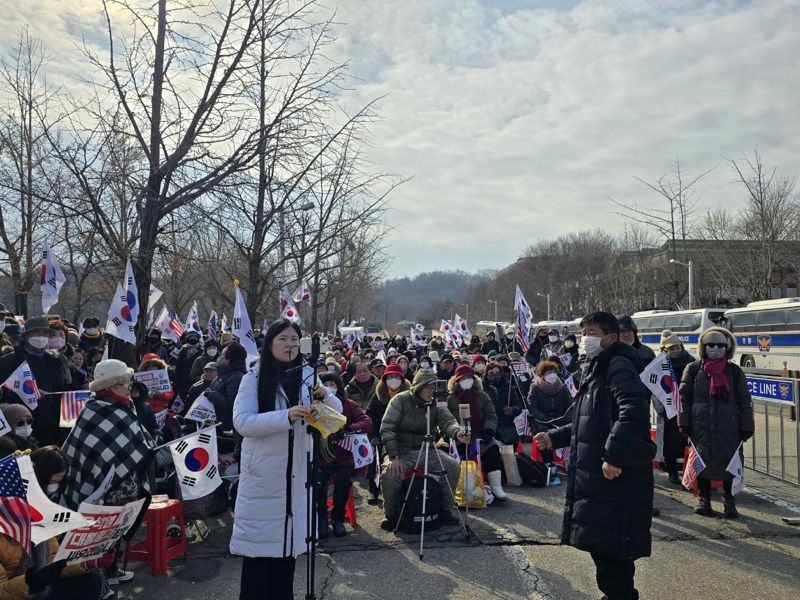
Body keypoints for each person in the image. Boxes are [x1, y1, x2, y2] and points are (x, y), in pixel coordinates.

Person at [534, 312, 654, 600]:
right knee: (606, 552)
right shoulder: (597, 366)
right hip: (597, 476)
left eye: (591, 332)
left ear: (610, 337)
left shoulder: (618, 364)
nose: (584, 338)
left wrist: (613, 456)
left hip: (612, 477)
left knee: (613, 554)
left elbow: (634, 411)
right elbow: (585, 419)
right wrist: (554, 437)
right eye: (583, 332)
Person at [230, 319, 342, 600]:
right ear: (269, 344)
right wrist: (285, 416)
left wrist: (324, 395)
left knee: (287, 553)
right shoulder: (253, 378)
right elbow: (242, 422)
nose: (289, 344)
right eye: (283, 339)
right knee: (259, 556)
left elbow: (337, 414)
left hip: (297, 477)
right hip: (263, 479)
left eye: (294, 339)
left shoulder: (308, 375)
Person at [62, 359, 155, 587]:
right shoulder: (97, 410)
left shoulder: (124, 405)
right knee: (101, 525)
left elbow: (134, 442)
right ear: (111, 385)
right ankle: (98, 573)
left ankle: (110, 568)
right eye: (125, 381)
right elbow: (89, 450)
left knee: (117, 524)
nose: (129, 386)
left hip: (123, 480)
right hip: (103, 483)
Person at [0, 447, 104, 599]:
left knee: (90, 579)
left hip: (38, 589)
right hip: (20, 591)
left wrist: (86, 563)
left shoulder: (37, 514)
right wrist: (32, 582)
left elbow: (54, 560)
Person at [378, 370, 469, 531]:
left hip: (427, 449)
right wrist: (393, 456)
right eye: (428, 387)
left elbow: (447, 421)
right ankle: (391, 515)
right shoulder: (400, 400)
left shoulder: (437, 402)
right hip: (401, 451)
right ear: (418, 387)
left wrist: (457, 432)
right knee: (390, 474)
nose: (432, 391)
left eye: (434, 387)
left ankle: (446, 509)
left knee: (452, 466)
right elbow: (387, 427)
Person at [678, 327, 754, 518]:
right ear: (703, 347)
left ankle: (729, 500)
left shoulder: (734, 371)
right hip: (700, 425)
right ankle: (704, 499)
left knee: (729, 463)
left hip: (729, 427)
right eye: (711, 344)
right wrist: (683, 422)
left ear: (727, 347)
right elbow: (683, 398)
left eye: (720, 345)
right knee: (702, 463)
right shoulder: (694, 369)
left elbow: (744, 400)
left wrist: (747, 426)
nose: (715, 348)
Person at [316, 373, 373, 538]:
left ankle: (338, 518)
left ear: (339, 386)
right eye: (325, 383)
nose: (328, 387)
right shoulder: (313, 406)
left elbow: (367, 422)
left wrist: (349, 429)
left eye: (332, 383)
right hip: (321, 459)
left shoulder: (348, 404)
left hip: (344, 458)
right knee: (318, 482)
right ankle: (321, 517)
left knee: (344, 479)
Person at [0, 315, 71, 446]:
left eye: (45, 333)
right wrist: (26, 393)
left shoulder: (56, 360)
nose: (41, 336)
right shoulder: (8, 361)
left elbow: (64, 389)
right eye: (37, 332)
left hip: (52, 425)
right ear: (27, 335)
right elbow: (3, 391)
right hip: (21, 425)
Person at [445, 365, 506, 500]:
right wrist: (452, 432)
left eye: (469, 378)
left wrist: (489, 430)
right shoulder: (451, 399)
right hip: (458, 436)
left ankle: (496, 486)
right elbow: (445, 418)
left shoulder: (482, 396)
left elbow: (491, 415)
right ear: (457, 381)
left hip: (480, 434)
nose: (466, 380)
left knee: (493, 448)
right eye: (463, 378)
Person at [365, 363, 409, 503]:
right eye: (390, 377)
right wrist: (374, 436)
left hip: (403, 435)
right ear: (384, 379)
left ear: (402, 379)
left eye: (397, 377)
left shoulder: (408, 395)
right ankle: (374, 490)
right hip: (380, 434)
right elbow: (369, 416)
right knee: (374, 455)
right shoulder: (379, 395)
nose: (393, 379)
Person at [657, 330, 694, 484]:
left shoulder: (691, 361)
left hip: (688, 406)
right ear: (665, 350)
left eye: (677, 347)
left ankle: (689, 471)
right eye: (671, 348)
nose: (675, 350)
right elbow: (655, 386)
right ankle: (672, 470)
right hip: (669, 408)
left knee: (688, 440)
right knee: (670, 441)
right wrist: (660, 406)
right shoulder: (660, 364)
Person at [527, 361, 573, 461]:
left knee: (570, 430)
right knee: (542, 434)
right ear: (542, 375)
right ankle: (548, 461)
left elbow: (570, 406)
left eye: (554, 372)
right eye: (548, 373)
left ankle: (566, 459)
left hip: (561, 418)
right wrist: (545, 418)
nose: (552, 375)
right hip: (542, 420)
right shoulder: (535, 387)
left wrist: (566, 418)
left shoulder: (562, 387)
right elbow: (532, 406)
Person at [205, 342, 248, 431]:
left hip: (226, 427)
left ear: (228, 359)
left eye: (222, 355)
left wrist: (212, 395)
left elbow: (232, 404)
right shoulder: (223, 373)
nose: (219, 356)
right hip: (216, 422)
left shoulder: (237, 378)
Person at [485, 361, 525, 446]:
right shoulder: (482, 388)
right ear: (486, 374)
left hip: (506, 425)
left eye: (497, 373)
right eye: (491, 373)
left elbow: (519, 406)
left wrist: (512, 410)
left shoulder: (508, 387)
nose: (494, 375)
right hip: (489, 425)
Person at [174, 331, 204, 400]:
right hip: (183, 381)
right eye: (191, 338)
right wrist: (177, 380)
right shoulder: (183, 350)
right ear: (187, 339)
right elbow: (178, 366)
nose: (193, 339)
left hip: (196, 382)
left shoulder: (201, 351)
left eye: (195, 338)